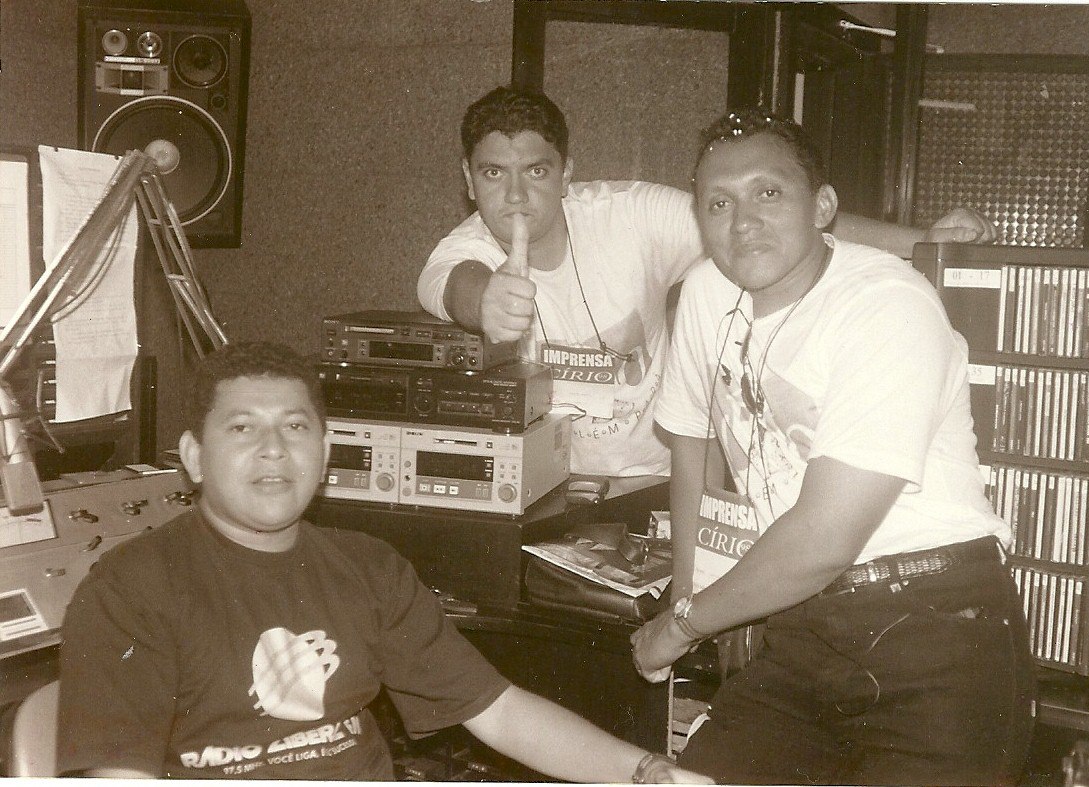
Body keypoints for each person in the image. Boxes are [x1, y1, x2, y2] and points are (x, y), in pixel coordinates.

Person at [55, 341, 713, 783]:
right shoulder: (130, 588)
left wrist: (647, 773)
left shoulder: (367, 567)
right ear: (194, 457)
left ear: (324, 451)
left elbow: (500, 711)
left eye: (295, 426)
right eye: (242, 427)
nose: (274, 449)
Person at [629, 109, 1035, 785]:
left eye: (768, 192)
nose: (743, 221)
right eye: (719, 203)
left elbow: (825, 537)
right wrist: (693, 600)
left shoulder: (887, 304)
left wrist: (682, 626)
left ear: (822, 207)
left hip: (933, 625)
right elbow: (692, 444)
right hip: (800, 628)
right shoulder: (705, 292)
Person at [417, 86, 995, 478]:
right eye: (493, 173)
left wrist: (922, 240)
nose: (516, 196)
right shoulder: (466, 248)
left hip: (651, 481)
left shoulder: (630, 214)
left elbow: (774, 225)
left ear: (567, 172)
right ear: (468, 179)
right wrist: (484, 298)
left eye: (537, 171)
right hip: (546, 486)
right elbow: (447, 283)